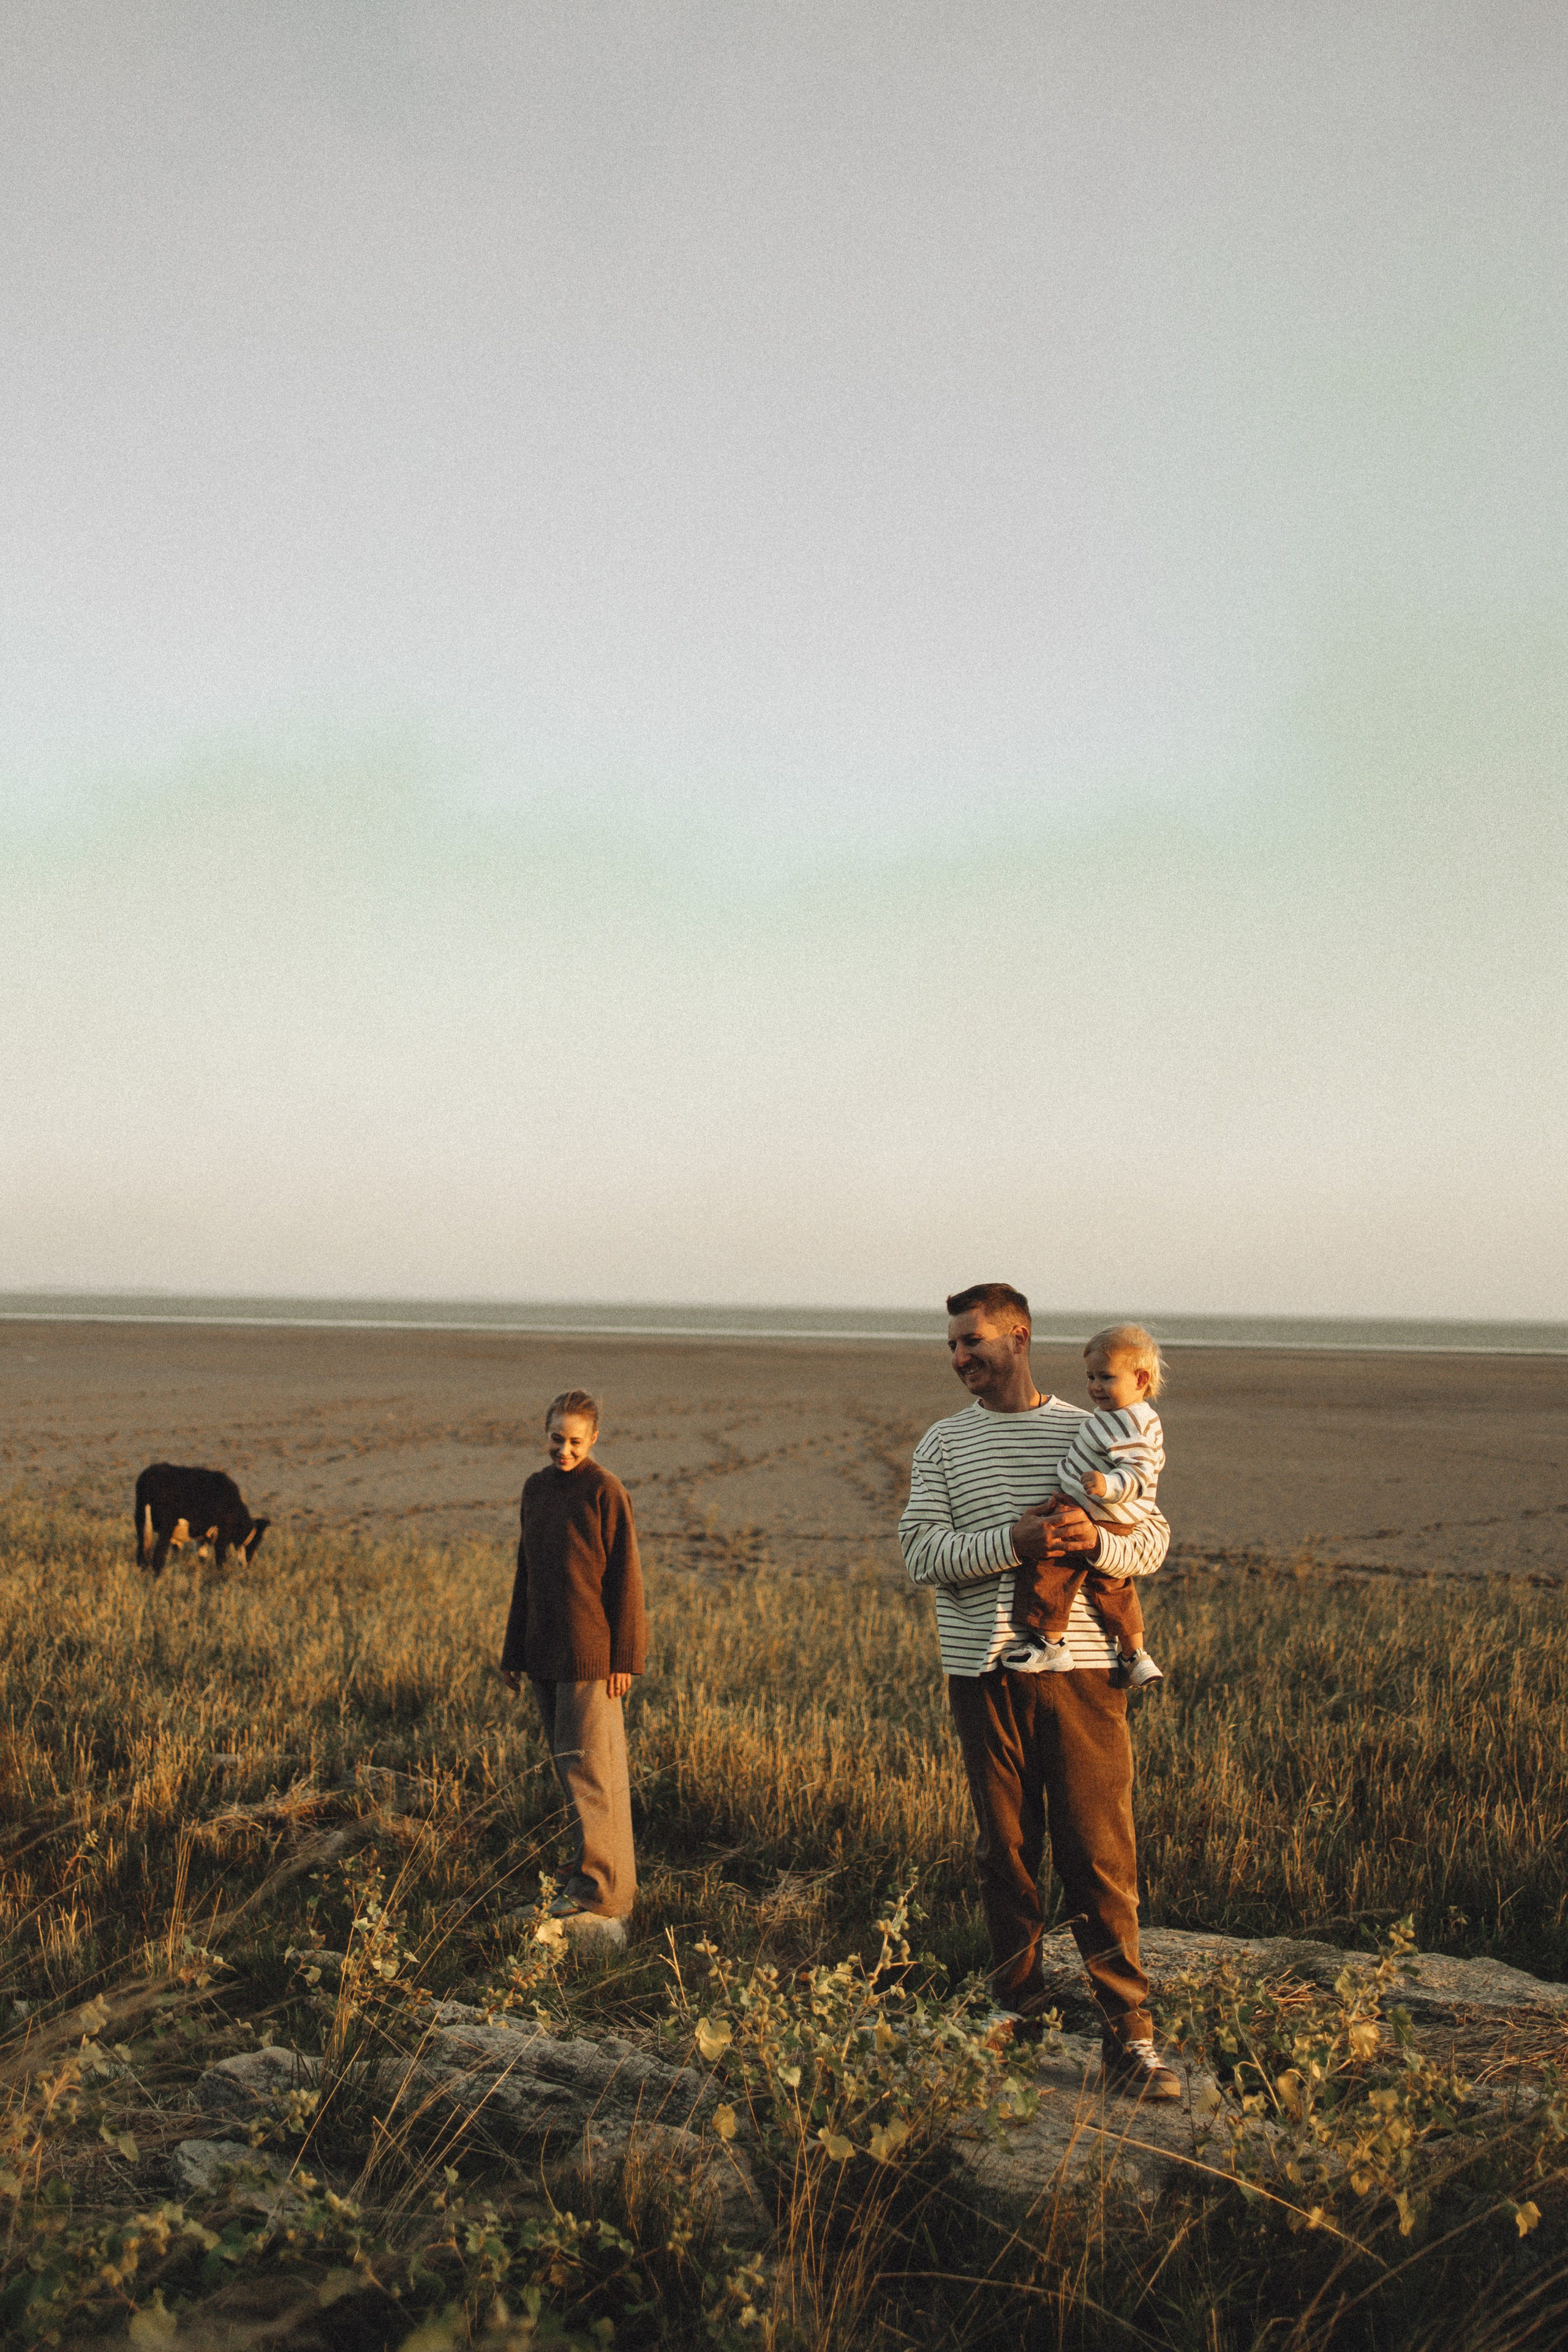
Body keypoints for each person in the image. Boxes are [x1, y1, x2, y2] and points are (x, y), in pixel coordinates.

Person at [898, 1284, 1180, 2099]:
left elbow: (1152, 1541)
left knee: (1098, 1853)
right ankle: (1016, 2013)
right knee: (1006, 1853)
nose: (960, 1357)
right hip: (981, 1673)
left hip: (1083, 1673)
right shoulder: (943, 1444)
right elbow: (921, 1554)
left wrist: (1095, 1540)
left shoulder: (1093, 1427)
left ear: (1018, 1337)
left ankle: (1128, 2039)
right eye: (952, 1346)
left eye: (973, 1341)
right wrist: (1012, 1542)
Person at [499, 1388, 647, 1936]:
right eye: (557, 1439)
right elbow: (526, 1573)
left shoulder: (606, 1491)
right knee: (569, 1769)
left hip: (592, 1655)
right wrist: (513, 1652)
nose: (564, 1450)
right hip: (543, 1649)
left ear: (594, 1439)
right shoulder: (535, 1489)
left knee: (594, 1772)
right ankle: (587, 1871)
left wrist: (625, 1658)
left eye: (576, 1442)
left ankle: (605, 1891)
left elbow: (626, 1578)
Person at [1001, 1324, 1166, 1689]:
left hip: (1091, 1509)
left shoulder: (1129, 1420)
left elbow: (1140, 1471)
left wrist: (1109, 1486)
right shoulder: (1127, 1416)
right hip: (1113, 1517)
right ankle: (1135, 1654)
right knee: (1114, 1584)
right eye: (1091, 1377)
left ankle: (1051, 1642)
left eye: (1106, 1377)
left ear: (1140, 1379)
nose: (1095, 1387)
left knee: (1051, 1568)